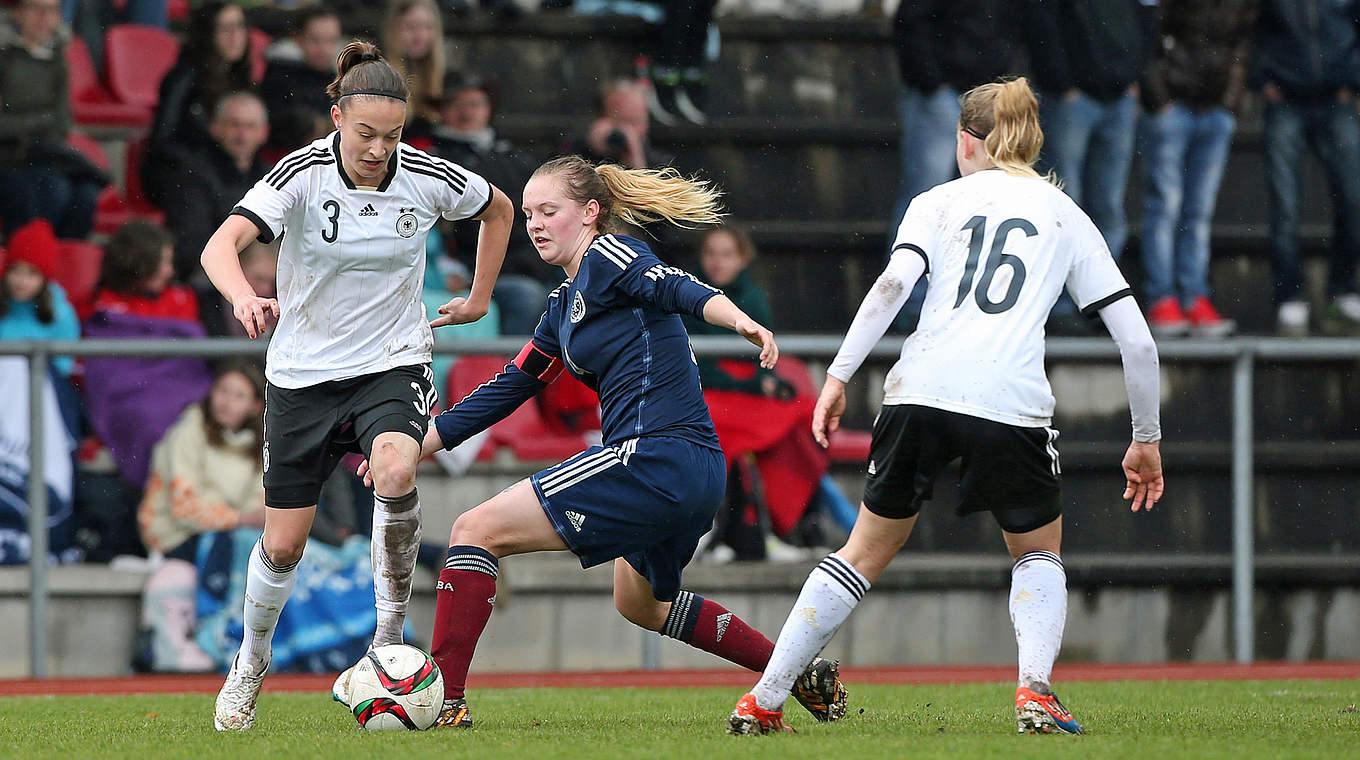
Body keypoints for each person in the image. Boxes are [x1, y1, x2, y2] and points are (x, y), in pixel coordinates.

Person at [343, 155, 848, 729]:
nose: (534, 224)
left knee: (472, 530)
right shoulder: (561, 307)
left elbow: (678, 288)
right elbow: (513, 386)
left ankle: (446, 703)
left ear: (589, 213)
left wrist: (739, 321)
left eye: (548, 211)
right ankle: (792, 671)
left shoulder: (612, 255)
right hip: (689, 470)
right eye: (528, 213)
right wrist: (417, 441)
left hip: (652, 455)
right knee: (640, 604)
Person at [726, 78, 1164, 735]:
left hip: (918, 389)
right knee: (1036, 552)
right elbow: (1136, 339)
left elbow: (892, 285)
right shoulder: (1065, 215)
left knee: (864, 550)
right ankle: (1034, 693)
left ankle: (762, 699)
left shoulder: (936, 202)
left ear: (965, 141)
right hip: (1007, 400)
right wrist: (1145, 438)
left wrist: (841, 374)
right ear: (1034, 142)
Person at [202, 40, 512, 732]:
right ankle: (250, 665)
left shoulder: (424, 175)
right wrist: (242, 297)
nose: (378, 149)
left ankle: (387, 640)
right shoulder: (300, 174)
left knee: (398, 465)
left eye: (392, 135)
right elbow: (219, 246)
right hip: (302, 374)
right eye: (366, 133)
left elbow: (499, 209)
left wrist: (481, 297)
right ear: (338, 116)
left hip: (390, 360)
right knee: (283, 546)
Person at [1024, 0, 1156, 333]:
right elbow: (1040, 21)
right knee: (1064, 206)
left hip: (1117, 95)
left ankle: (1098, 303)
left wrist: (1133, 78)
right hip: (1073, 97)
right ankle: (1063, 305)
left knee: (1108, 207)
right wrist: (1061, 83)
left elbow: (1146, 17)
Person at [136, 362, 268, 673]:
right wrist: (237, 517)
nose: (226, 401)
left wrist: (239, 519)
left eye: (238, 395)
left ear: (255, 405)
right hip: (176, 534)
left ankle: (252, 648)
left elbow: (261, 508)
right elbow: (184, 508)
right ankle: (219, 640)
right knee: (243, 550)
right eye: (222, 391)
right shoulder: (188, 431)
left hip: (228, 532)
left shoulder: (261, 445)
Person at [1139, 0, 1257, 338]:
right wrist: (1158, 99)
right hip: (1172, 105)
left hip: (1216, 107)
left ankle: (1194, 298)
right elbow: (1148, 34)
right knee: (1166, 206)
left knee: (1198, 211)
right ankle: (1162, 298)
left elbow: (1241, 44)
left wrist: (1230, 103)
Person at [1252, 0, 1360, 335]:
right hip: (1285, 99)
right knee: (1286, 205)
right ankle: (1289, 294)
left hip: (1335, 98)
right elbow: (1253, 28)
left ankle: (1341, 290)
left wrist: (1352, 81)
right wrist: (1262, 79)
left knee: (1355, 198)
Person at [430, 72, 557, 334]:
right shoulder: (434, 158)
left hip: (532, 261)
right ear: (442, 110)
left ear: (488, 108)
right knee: (528, 297)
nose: (466, 113)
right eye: (457, 104)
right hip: (475, 269)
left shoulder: (514, 156)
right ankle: (516, 371)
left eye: (475, 104)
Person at [143, 0, 255, 248]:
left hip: (219, 168)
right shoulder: (183, 77)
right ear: (208, 33)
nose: (234, 36)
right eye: (224, 28)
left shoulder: (242, 79)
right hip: (179, 172)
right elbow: (162, 142)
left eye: (239, 27)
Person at [0, 0, 104, 239]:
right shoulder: (4, 56)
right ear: (17, 13)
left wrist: (22, 121)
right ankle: (27, 267)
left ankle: (65, 266)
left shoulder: (57, 57)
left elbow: (62, 122)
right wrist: (42, 119)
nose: (43, 17)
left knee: (86, 195)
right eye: (36, 8)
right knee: (51, 191)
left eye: (51, 10)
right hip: (8, 157)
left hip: (44, 153)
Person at [160, 92, 271, 296]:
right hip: (208, 278)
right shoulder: (192, 173)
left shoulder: (270, 175)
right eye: (234, 125)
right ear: (215, 127)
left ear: (264, 133)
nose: (242, 135)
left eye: (250, 126)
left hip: (261, 273)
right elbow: (192, 244)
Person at [0, 219, 79, 379]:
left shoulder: (61, 314)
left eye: (32, 273)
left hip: (42, 390)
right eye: (16, 270)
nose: (21, 281)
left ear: (45, 278)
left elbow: (63, 367)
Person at [260, 5, 343, 154]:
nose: (323, 48)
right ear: (298, 39)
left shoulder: (339, 80)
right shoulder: (279, 75)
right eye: (315, 40)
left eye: (331, 40)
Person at [383, 0, 444, 139]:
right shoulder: (379, 77)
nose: (420, 36)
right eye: (411, 27)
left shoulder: (442, 79)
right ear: (394, 29)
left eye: (428, 27)